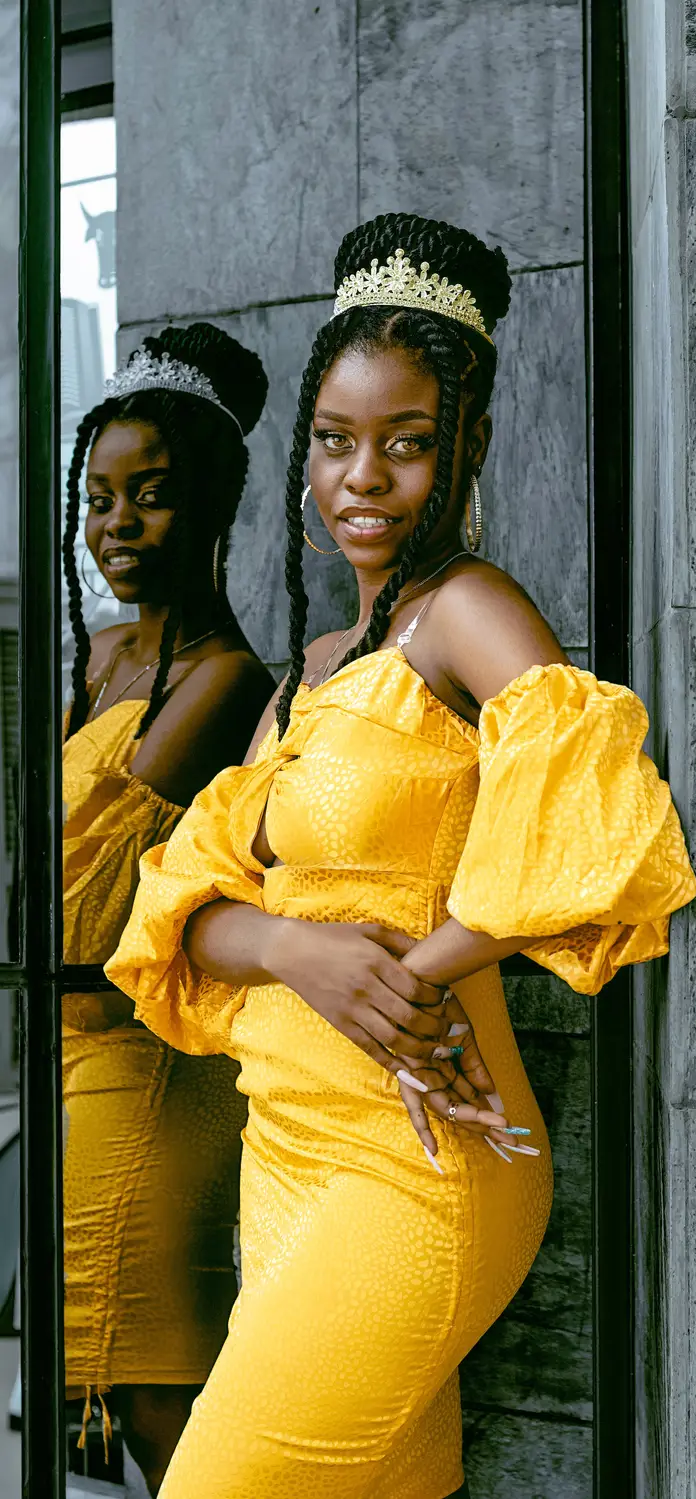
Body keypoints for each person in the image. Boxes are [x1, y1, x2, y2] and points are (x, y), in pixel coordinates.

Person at [107, 214, 696, 1499]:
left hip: (419, 1162)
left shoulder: (468, 611)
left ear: (462, 448)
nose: (361, 478)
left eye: (405, 443)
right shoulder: (309, 674)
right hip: (287, 1148)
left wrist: (416, 970)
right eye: (334, 442)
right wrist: (299, 951)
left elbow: (598, 799)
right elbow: (183, 900)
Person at [62, 323, 276, 1494]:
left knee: (148, 1376)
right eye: (99, 498)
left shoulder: (225, 675)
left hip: (143, 1057)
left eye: (150, 496)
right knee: (90, 1368)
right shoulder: (97, 657)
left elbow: (83, 898)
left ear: (207, 509)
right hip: (69, 1047)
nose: (117, 526)